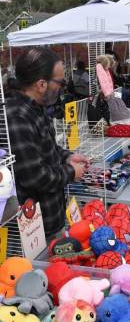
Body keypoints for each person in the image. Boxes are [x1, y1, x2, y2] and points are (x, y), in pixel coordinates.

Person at [6, 47, 89, 242]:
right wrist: (71, 172)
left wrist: (67, 156)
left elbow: (45, 148)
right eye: (60, 82)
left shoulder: (36, 108)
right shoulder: (17, 116)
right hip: (33, 230)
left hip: (50, 219)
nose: (62, 87)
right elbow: (34, 177)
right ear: (41, 84)